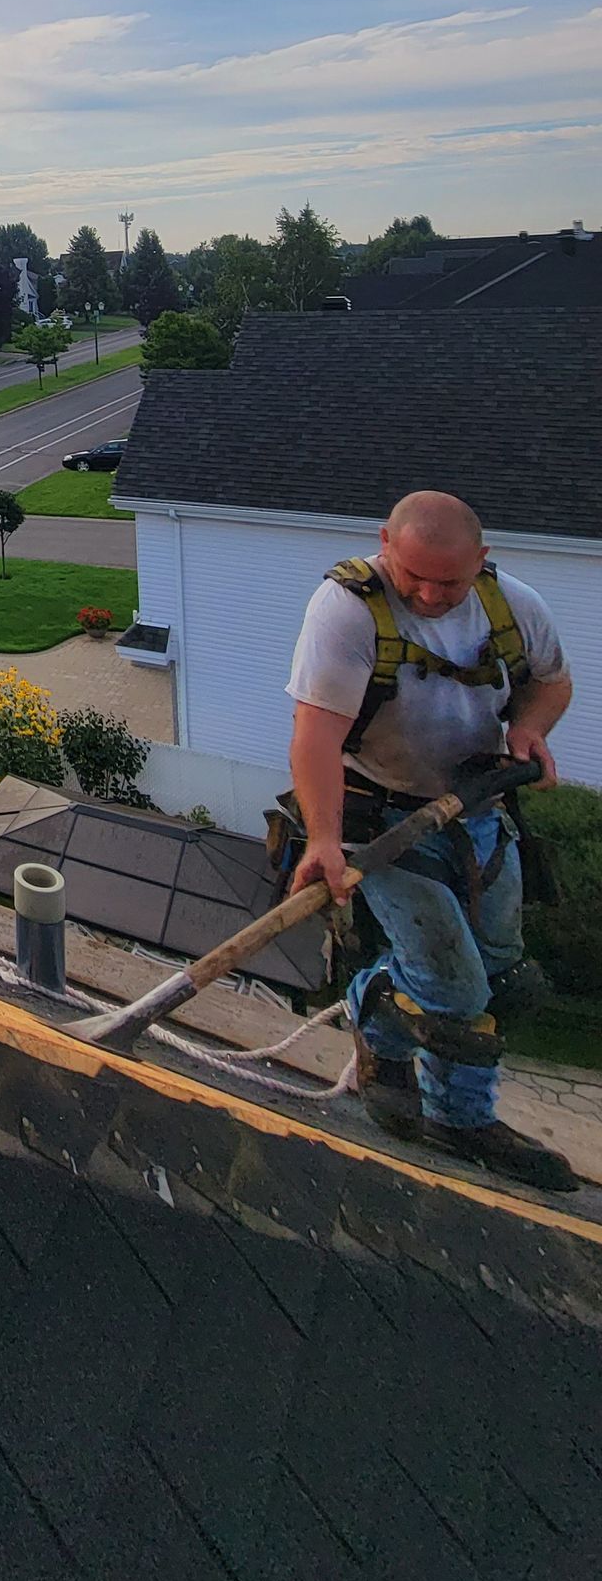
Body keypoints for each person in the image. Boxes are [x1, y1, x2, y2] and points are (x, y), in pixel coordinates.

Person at [285, 489, 575, 1192]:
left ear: (481, 560)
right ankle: (461, 1119)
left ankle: (378, 1013)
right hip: (378, 819)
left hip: (475, 810)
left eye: (448, 581)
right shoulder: (348, 609)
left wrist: (530, 729)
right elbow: (315, 735)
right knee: (453, 985)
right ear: (385, 540)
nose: (427, 593)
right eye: (412, 573)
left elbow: (553, 684)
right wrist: (323, 839)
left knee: (506, 979)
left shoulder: (514, 607)